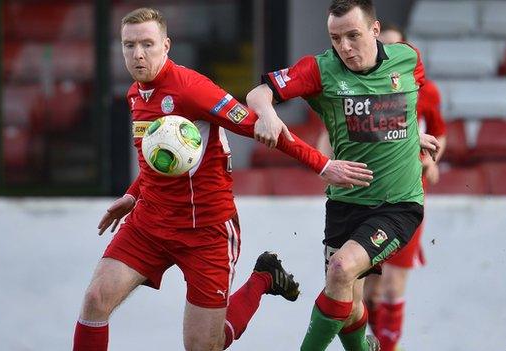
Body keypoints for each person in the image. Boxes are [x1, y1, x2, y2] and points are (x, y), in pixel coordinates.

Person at [72, 7, 375, 351]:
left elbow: (260, 126)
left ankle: (263, 277)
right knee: (96, 298)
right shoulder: (135, 95)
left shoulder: (191, 89)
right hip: (149, 223)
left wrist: (323, 165)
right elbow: (156, 160)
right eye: (129, 45)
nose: (138, 54)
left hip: (207, 231)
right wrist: (132, 195)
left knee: (204, 346)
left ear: (166, 45)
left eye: (147, 44)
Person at [246, 1, 440, 350]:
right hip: (345, 204)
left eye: (353, 36)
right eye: (336, 38)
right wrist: (267, 113)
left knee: (340, 270)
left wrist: (411, 135)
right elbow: (258, 93)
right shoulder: (321, 69)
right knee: (348, 308)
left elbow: (405, 103)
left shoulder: (408, 58)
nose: (345, 47)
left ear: (375, 30)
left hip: (397, 205)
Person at [361, 23, 447, 351]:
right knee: (368, 291)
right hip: (369, 196)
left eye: (395, 48)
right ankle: (370, 343)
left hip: (409, 195)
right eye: (382, 47)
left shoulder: (425, 91)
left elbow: (439, 131)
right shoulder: (362, 91)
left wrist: (432, 159)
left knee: (393, 285)